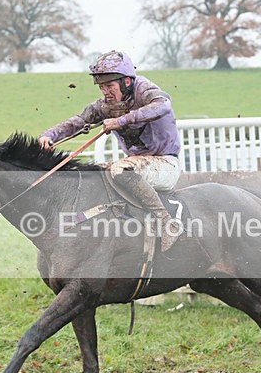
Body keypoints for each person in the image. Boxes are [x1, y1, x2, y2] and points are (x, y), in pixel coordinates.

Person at [39, 50, 183, 251]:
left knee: (119, 170)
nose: (105, 92)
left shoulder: (143, 90)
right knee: (93, 171)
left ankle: (168, 223)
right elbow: (79, 122)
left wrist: (121, 120)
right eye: (102, 87)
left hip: (166, 164)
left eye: (109, 86)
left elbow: (163, 104)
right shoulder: (106, 105)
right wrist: (49, 136)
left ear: (126, 82)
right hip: (140, 166)